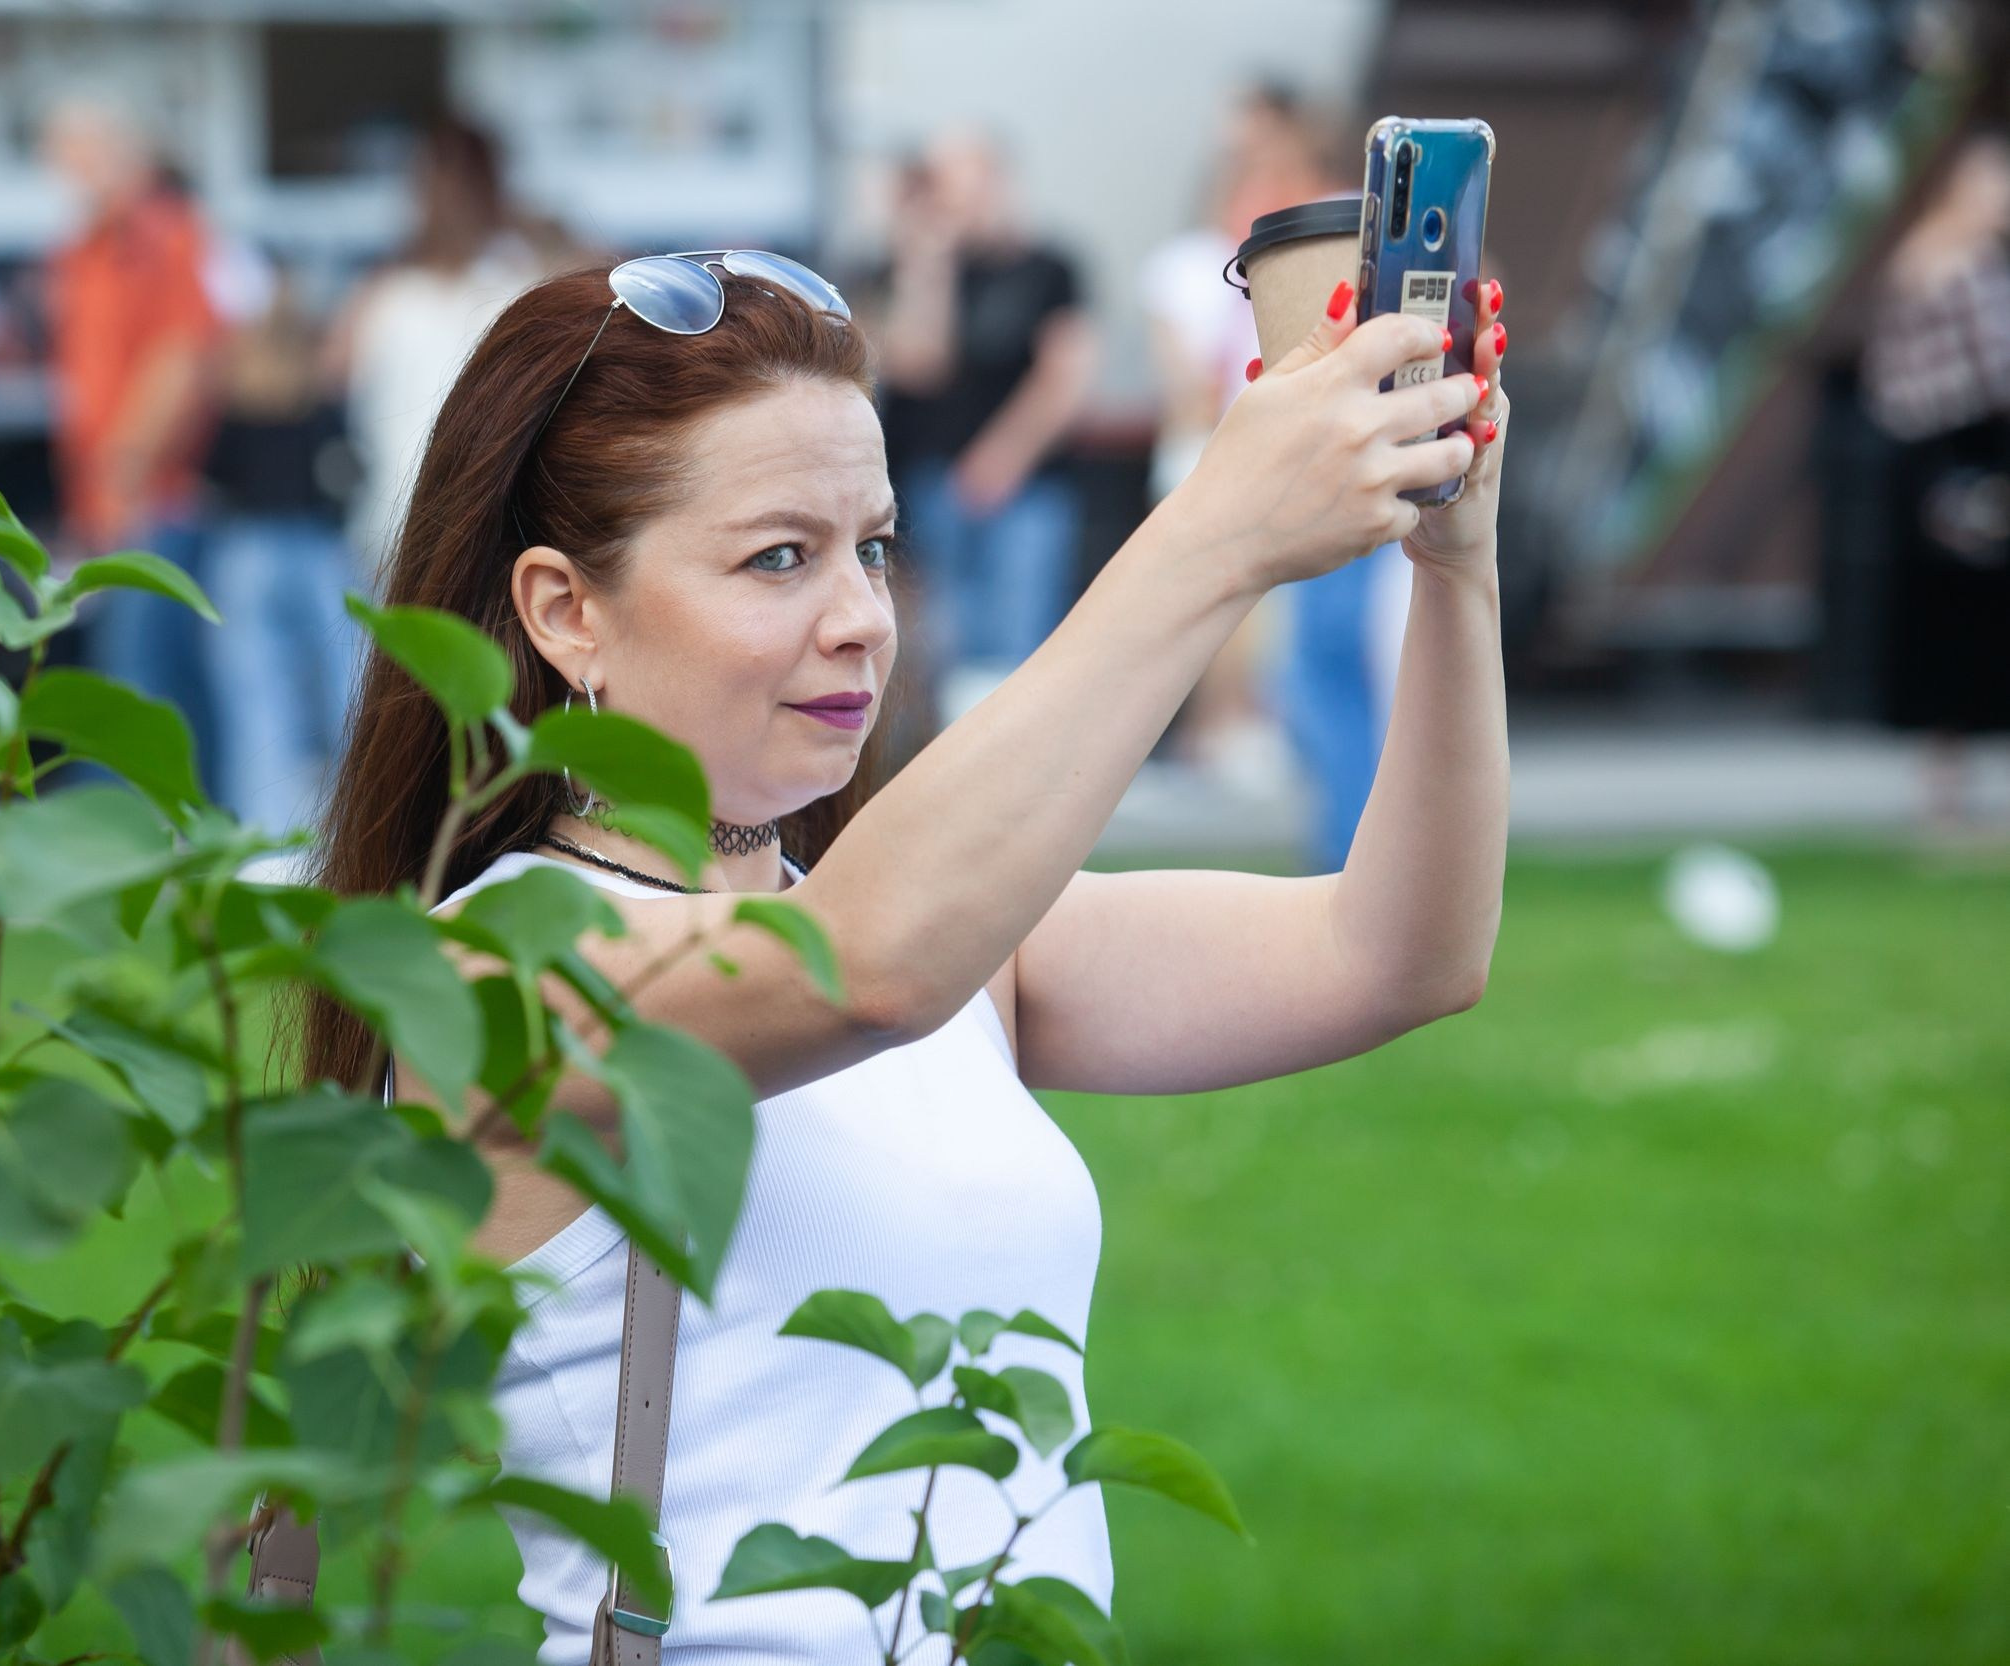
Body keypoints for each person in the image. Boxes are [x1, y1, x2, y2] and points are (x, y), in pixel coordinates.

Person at [300, 252, 1509, 1659]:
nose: (862, 615)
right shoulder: (490, 977)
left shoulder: (955, 940)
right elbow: (866, 963)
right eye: (779, 556)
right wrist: (1217, 531)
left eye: (872, 546)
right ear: (570, 610)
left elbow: (1399, 950)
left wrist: (1455, 564)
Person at [1139, 82, 1331, 788]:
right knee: (1210, 599)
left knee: (1273, 606)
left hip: (1284, 447)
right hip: (1209, 448)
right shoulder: (1185, 270)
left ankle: (1251, 725)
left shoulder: (1303, 254)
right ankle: (1210, 731)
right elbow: (1186, 391)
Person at [874, 132, 1098, 719]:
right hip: (938, 484)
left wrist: (1003, 458)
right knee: (955, 639)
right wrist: (929, 265)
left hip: (1025, 484)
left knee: (1019, 630)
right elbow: (919, 365)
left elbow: (1065, 377)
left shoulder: (1050, 268)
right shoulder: (938, 270)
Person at [39, 98, 224, 775]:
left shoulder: (164, 235)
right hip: (105, 504)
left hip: (149, 501)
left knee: (142, 687)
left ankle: (148, 840)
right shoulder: (83, 248)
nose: (68, 169)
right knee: (131, 679)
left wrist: (125, 466)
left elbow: (183, 355)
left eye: (80, 151)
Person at [1856, 127, 2010, 830]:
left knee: (1949, 623)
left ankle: (1948, 794)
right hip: (1962, 458)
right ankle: (1949, 800)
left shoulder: (1918, 258)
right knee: (1963, 623)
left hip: (1927, 460)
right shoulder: (1957, 266)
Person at [320, 118, 551, 568]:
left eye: (461, 182)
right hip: (390, 531)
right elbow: (327, 375)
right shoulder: (385, 292)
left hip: (497, 529)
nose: (447, 198)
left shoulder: (521, 279)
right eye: (433, 181)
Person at [197, 274, 358, 835]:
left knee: (255, 699)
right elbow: (347, 471)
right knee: (348, 692)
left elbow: (211, 476)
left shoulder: (239, 400)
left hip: (247, 548)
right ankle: (351, 821)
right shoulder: (320, 399)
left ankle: (263, 834)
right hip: (316, 544)